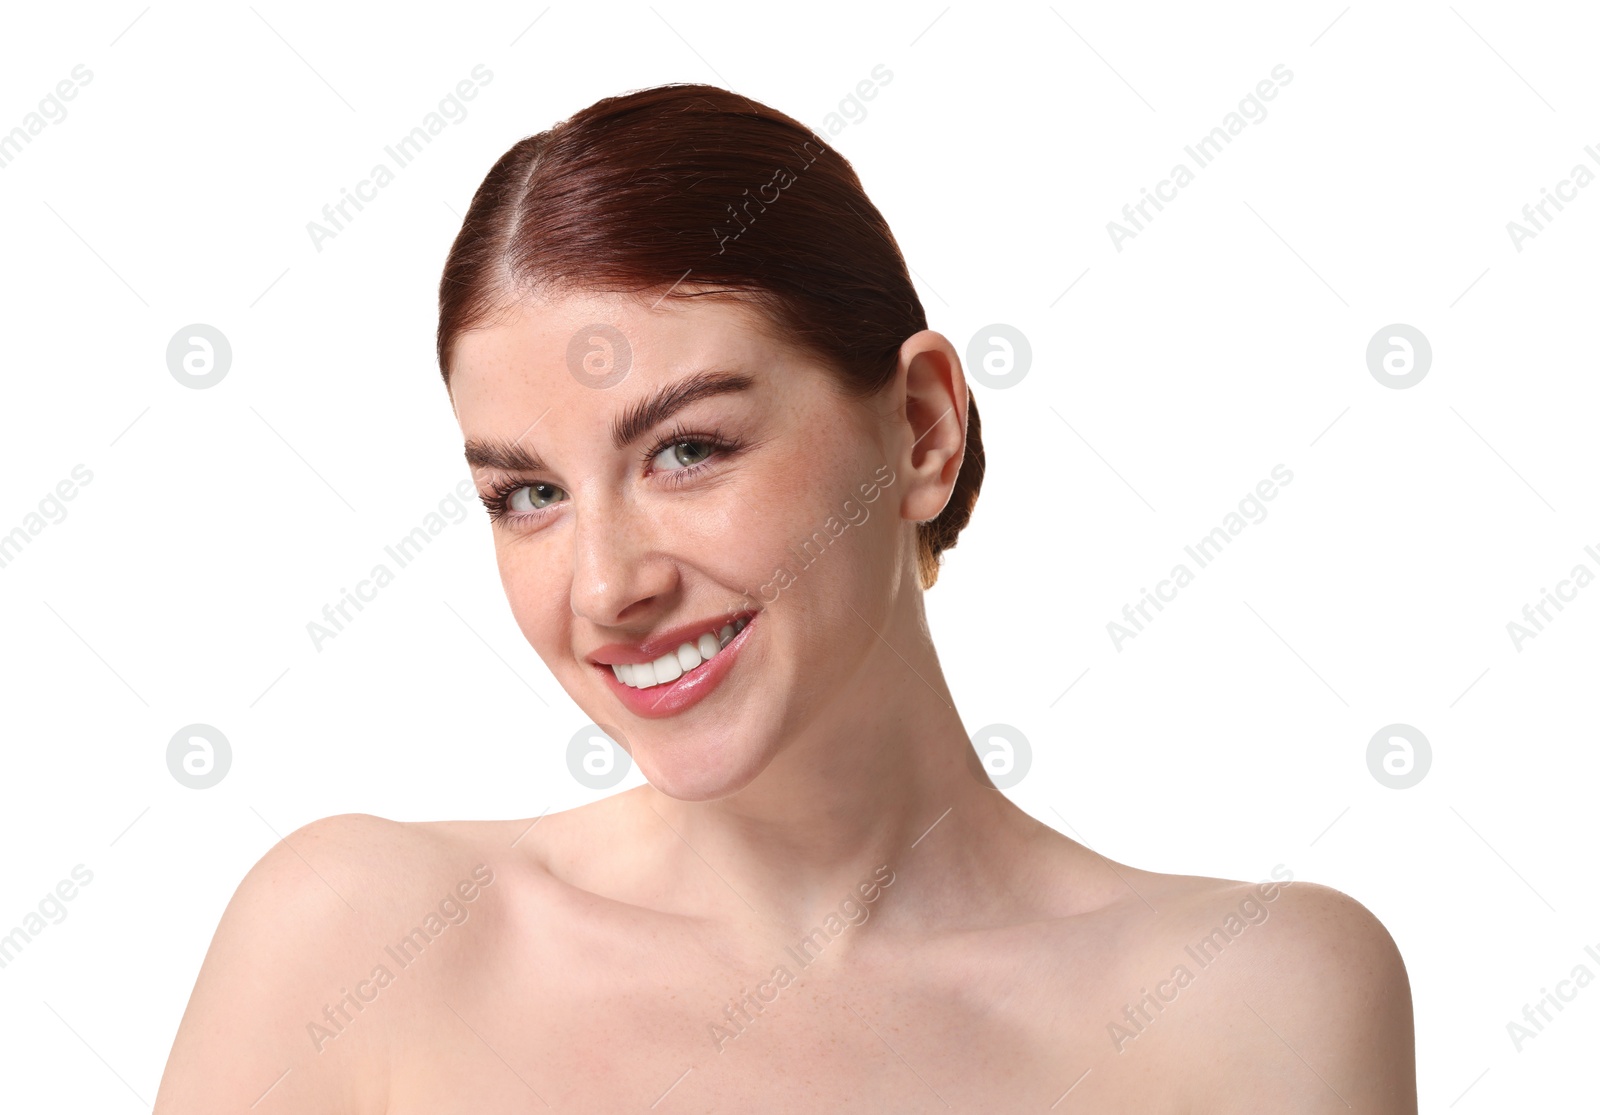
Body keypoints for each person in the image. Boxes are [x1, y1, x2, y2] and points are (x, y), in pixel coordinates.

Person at [154, 83, 1416, 1113]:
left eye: (687, 450)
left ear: (920, 429)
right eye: (526, 494)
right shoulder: (357, 943)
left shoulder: (1250, 1003)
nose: (606, 585)